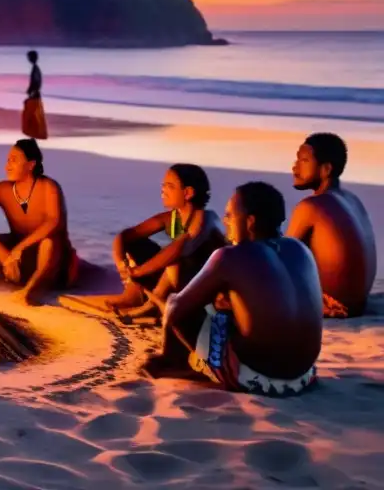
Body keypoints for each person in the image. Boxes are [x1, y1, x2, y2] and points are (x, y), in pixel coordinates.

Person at [142, 182, 321, 396]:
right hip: (303, 376)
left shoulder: (229, 256)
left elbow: (176, 309)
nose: (225, 222)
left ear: (250, 222)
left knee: (175, 303)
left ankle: (174, 362)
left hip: (258, 379)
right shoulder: (301, 250)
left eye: (230, 216)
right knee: (221, 311)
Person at [109, 164, 226, 321]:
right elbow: (125, 236)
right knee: (135, 244)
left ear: (188, 193)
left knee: (174, 256)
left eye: (169, 186)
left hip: (207, 291)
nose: (163, 190)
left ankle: (154, 303)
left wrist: (137, 272)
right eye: (163, 185)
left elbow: (182, 248)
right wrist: (122, 265)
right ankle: (137, 295)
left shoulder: (205, 217)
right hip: (179, 282)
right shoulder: (172, 218)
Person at [0, 139, 78, 302]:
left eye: (14, 159)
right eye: (7, 160)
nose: (7, 165)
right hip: (17, 259)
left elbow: (54, 222)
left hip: (52, 261)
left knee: (49, 243)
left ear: (31, 164)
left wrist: (19, 248)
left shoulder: (49, 187)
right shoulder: (1, 189)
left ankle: (32, 289)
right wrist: (4, 256)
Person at [287, 133, 377, 318]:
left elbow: (279, 258)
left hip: (332, 303)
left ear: (326, 169)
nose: (295, 166)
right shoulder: (353, 199)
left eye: (304, 160)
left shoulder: (311, 206)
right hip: (358, 303)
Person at [21, 50, 48, 140]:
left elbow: (36, 83)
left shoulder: (35, 69)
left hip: (35, 95)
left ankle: (33, 136)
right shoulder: (35, 69)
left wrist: (31, 92)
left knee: (32, 116)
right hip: (34, 94)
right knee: (32, 116)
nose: (29, 59)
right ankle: (33, 136)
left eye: (29, 57)